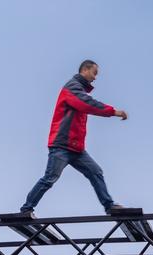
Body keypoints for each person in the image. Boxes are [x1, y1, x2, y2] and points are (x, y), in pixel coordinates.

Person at [19, 60, 128, 216]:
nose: (95, 78)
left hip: (76, 149)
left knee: (96, 172)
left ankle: (109, 206)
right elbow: (87, 104)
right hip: (61, 146)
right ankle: (26, 209)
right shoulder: (72, 87)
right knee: (50, 178)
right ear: (85, 70)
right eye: (94, 73)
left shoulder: (79, 90)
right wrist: (113, 112)